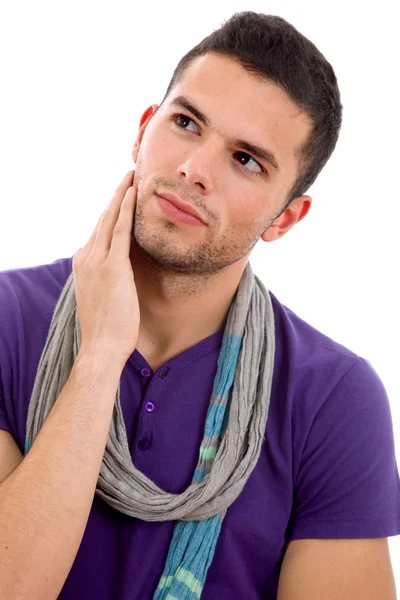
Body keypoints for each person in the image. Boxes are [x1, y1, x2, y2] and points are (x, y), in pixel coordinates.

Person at [0, 10, 399, 600]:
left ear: (286, 218)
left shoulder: (333, 398)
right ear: (142, 131)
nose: (194, 169)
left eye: (246, 160)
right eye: (186, 123)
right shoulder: (8, 322)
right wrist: (100, 356)